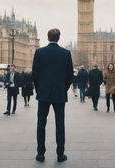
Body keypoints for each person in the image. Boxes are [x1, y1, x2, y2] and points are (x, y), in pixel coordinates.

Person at [32, 28, 73, 163]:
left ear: (48, 37)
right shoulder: (66, 53)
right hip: (59, 94)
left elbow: (35, 74)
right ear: (59, 38)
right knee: (60, 124)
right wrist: (63, 89)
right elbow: (69, 76)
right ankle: (60, 154)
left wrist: (39, 89)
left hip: (43, 93)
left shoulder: (39, 52)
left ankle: (40, 154)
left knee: (41, 123)